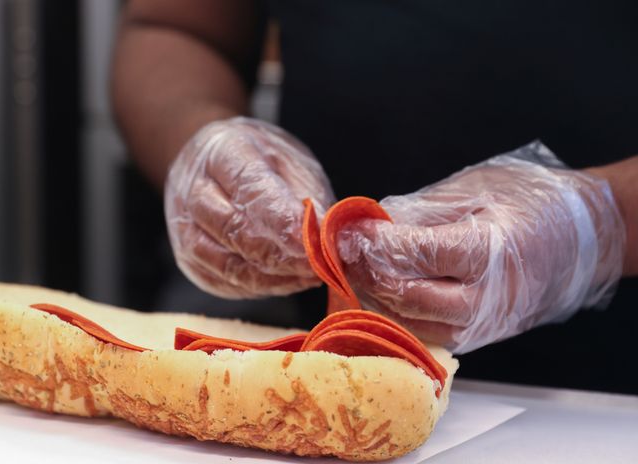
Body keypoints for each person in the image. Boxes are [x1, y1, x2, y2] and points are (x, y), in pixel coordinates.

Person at [111, 1, 638, 392]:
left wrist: (600, 222)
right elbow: (174, 28)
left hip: (613, 404)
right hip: (324, 378)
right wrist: (200, 143)